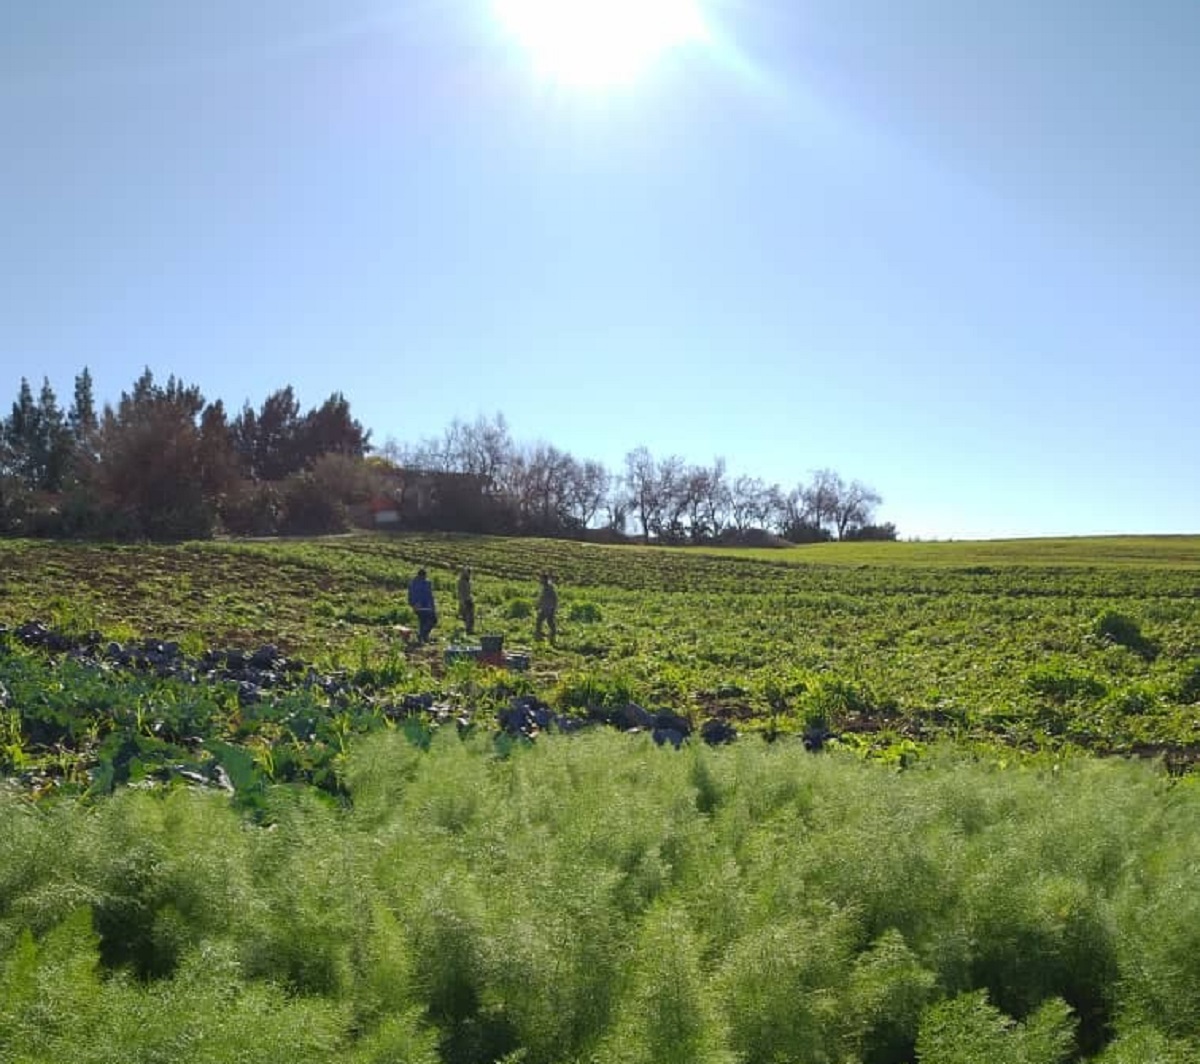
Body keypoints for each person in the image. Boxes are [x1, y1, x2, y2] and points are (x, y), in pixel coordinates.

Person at [407, 567, 437, 644]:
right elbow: (429, 595)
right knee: (433, 620)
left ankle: (422, 638)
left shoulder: (412, 583)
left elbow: (410, 595)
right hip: (426, 606)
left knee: (422, 622)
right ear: (424, 575)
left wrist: (412, 604)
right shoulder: (426, 583)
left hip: (416, 606)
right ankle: (423, 635)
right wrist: (433, 606)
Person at [535, 571, 558, 643]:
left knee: (539, 621)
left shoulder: (548, 587)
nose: (540, 580)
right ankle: (552, 636)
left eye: (541, 579)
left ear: (544, 579)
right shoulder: (547, 586)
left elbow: (551, 598)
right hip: (548, 607)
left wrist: (550, 608)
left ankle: (539, 636)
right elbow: (543, 597)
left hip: (547, 608)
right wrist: (539, 604)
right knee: (549, 621)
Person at [457, 566, 475, 635]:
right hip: (465, 600)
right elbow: (461, 593)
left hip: (468, 599)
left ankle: (470, 629)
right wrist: (462, 602)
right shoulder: (462, 582)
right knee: (467, 616)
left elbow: (469, 591)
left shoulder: (467, 581)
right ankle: (468, 630)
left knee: (470, 616)